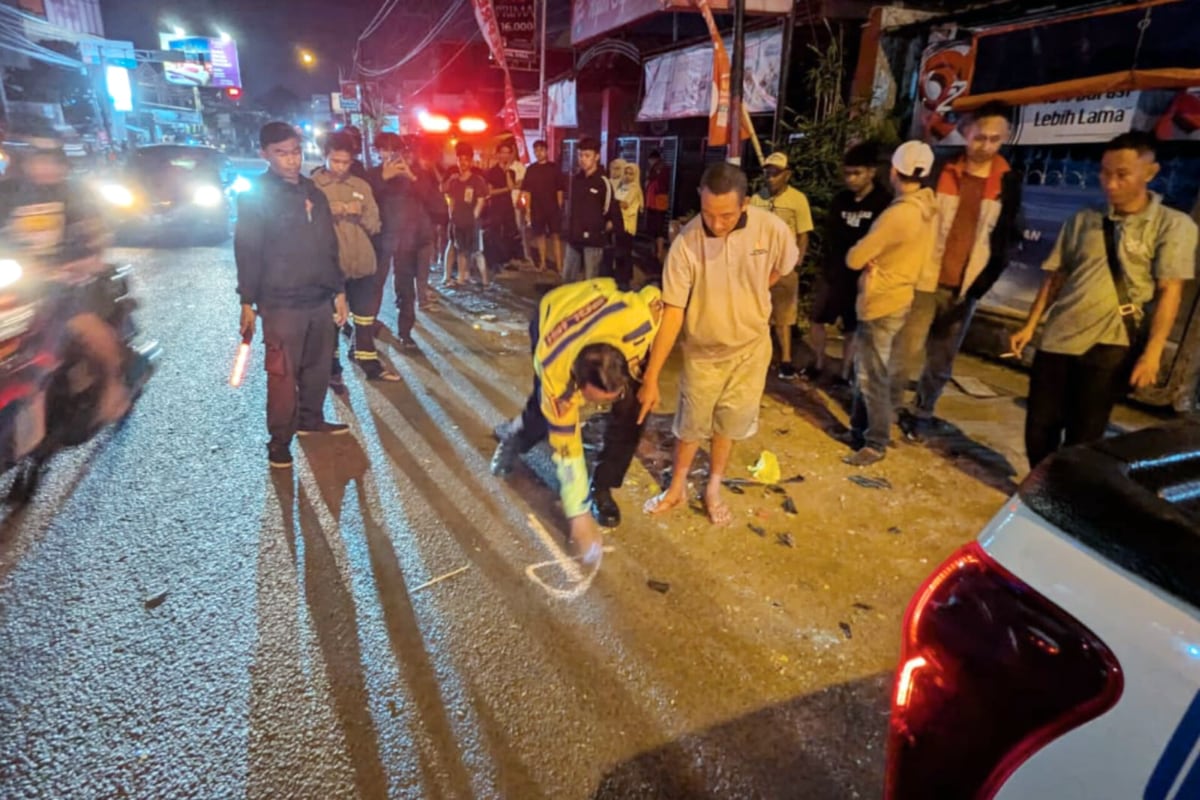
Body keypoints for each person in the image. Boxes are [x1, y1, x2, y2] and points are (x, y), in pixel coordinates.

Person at [1010, 132, 1197, 468]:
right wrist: (1030, 325)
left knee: (1086, 432)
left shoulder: (1172, 225)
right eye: (1105, 172)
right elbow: (1056, 277)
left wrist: (1152, 354)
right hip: (1059, 335)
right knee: (1039, 426)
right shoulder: (1084, 219)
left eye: (1122, 174)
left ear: (1150, 173)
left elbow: (1171, 291)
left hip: (1112, 341)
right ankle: (1040, 479)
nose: (1110, 183)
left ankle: (1063, 493)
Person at [638, 163, 799, 524]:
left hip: (750, 350)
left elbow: (784, 266)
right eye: (708, 214)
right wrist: (652, 375)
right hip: (703, 353)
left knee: (729, 422)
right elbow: (674, 312)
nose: (717, 223)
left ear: (745, 205)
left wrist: (755, 290)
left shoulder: (770, 229)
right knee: (691, 423)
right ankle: (677, 486)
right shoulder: (687, 243)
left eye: (726, 215)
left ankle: (713, 485)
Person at [491, 278, 664, 563]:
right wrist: (578, 513)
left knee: (634, 409)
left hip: (603, 304)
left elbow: (664, 303)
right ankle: (514, 438)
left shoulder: (640, 319)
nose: (601, 407)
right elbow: (568, 451)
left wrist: (653, 377)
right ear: (578, 385)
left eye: (610, 396)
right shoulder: (555, 372)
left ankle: (604, 485)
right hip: (554, 312)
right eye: (596, 400)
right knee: (542, 411)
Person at [892, 102, 1023, 441]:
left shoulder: (1007, 181)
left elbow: (1008, 237)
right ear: (966, 132)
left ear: (1005, 138)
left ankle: (923, 413)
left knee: (940, 360)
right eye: (980, 137)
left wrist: (981, 286)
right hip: (925, 280)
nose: (986, 146)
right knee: (905, 352)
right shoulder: (941, 169)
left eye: (995, 139)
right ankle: (888, 412)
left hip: (966, 289)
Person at [236, 121, 350, 469]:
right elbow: (247, 249)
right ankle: (279, 442)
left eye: (295, 152)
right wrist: (247, 301)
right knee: (283, 376)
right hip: (280, 303)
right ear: (264, 155)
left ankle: (310, 419)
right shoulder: (255, 195)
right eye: (281, 153)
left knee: (317, 369)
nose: (291, 160)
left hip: (319, 298)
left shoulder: (313, 192)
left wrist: (339, 292)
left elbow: (329, 245)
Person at [0, 121, 128, 424]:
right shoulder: (8, 193)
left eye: (51, 157)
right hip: (21, 282)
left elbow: (99, 233)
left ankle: (114, 387)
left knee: (79, 323)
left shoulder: (76, 193)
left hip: (70, 280)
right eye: (36, 156)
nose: (44, 164)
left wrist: (87, 262)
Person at [841, 141, 939, 467]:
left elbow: (855, 257)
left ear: (894, 171)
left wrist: (870, 259)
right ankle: (857, 432)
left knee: (872, 376)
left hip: (882, 299)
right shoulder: (928, 208)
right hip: (900, 294)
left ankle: (875, 441)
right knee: (866, 369)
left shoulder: (899, 214)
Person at [805, 142, 891, 384]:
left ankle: (845, 371)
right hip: (834, 272)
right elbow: (831, 233)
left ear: (871, 172)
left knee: (853, 326)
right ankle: (819, 362)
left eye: (857, 173)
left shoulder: (882, 202)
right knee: (817, 317)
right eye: (847, 173)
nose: (851, 179)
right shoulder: (841, 200)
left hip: (862, 275)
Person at [311, 132, 385, 392]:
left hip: (362, 261)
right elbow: (304, 223)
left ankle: (369, 362)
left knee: (365, 317)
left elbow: (375, 225)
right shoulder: (313, 186)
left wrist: (360, 212)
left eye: (346, 162)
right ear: (325, 157)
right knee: (332, 321)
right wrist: (337, 209)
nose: (341, 167)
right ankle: (332, 371)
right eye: (335, 161)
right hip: (330, 266)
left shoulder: (361, 186)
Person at [750, 151, 812, 380]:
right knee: (760, 316)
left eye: (775, 173)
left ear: (787, 174)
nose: (770, 177)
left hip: (784, 268)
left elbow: (803, 234)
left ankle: (786, 360)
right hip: (760, 268)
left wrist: (797, 262)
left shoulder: (798, 200)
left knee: (784, 318)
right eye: (767, 172)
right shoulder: (758, 199)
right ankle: (761, 359)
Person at [370, 134, 432, 351]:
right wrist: (382, 178)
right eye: (384, 150)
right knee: (374, 286)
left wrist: (412, 177)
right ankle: (365, 332)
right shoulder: (373, 175)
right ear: (378, 151)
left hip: (408, 240)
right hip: (381, 239)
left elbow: (432, 200)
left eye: (394, 150)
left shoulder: (415, 174)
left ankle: (405, 333)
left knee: (406, 288)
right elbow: (366, 201)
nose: (389, 154)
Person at [563, 137, 621, 283]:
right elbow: (570, 207)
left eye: (587, 155)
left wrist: (600, 229)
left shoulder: (603, 182)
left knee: (590, 281)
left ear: (597, 156)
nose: (583, 159)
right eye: (580, 155)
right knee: (567, 279)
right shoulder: (576, 180)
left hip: (594, 240)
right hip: (574, 237)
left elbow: (611, 212)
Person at [444, 142, 490, 286]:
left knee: (477, 252)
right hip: (458, 222)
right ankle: (461, 279)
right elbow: (450, 201)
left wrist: (474, 217)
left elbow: (481, 200)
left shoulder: (477, 180)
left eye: (466, 160)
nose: (463, 163)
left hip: (472, 222)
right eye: (460, 159)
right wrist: (452, 217)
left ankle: (485, 281)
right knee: (460, 250)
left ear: (470, 161)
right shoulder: (454, 181)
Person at [521, 139, 566, 273]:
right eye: (536, 151)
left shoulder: (554, 168)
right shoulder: (531, 169)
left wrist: (559, 206)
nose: (538, 153)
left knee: (555, 236)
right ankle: (543, 263)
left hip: (552, 208)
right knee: (540, 236)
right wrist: (528, 210)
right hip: (537, 207)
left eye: (541, 150)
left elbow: (560, 189)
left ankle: (559, 265)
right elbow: (527, 191)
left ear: (546, 151)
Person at [413, 140, 448, 310]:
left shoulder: (433, 172)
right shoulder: (416, 174)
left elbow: (442, 187)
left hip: (429, 222)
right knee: (419, 264)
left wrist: (434, 168)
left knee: (423, 264)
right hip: (417, 226)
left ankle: (423, 294)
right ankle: (421, 300)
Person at [483, 139, 523, 270]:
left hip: (508, 206)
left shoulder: (511, 171)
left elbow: (512, 186)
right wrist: (505, 189)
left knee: (509, 233)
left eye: (508, 153)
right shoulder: (492, 171)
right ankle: (495, 261)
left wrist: (506, 172)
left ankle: (508, 259)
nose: (505, 155)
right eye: (502, 152)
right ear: (498, 154)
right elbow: (490, 191)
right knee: (495, 233)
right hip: (496, 207)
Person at [613, 160, 644, 291]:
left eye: (631, 174)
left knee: (624, 252)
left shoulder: (634, 188)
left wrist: (613, 203)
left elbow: (624, 203)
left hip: (628, 225)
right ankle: (623, 276)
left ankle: (624, 280)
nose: (628, 176)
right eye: (626, 172)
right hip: (620, 223)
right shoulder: (623, 185)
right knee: (620, 251)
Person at [644, 149, 670, 267]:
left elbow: (660, 185)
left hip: (658, 203)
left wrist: (650, 179)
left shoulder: (661, 169)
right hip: (653, 203)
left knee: (658, 229)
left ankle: (659, 252)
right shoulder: (655, 169)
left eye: (650, 160)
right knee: (653, 229)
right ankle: (655, 252)